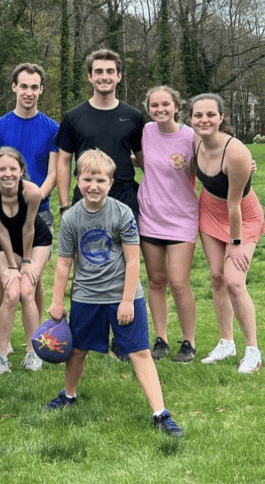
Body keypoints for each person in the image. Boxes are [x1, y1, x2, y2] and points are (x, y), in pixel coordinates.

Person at [44, 149, 183, 437]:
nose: (93, 186)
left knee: (140, 352)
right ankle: (69, 395)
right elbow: (63, 264)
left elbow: (133, 260)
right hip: (85, 297)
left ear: (110, 183)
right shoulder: (71, 218)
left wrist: (127, 300)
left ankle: (160, 413)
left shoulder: (122, 213)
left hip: (123, 295)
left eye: (100, 180)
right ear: (77, 180)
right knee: (78, 350)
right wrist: (58, 302)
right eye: (87, 179)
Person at [55, 48, 145, 362]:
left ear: (119, 76)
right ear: (90, 76)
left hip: (123, 198)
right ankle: (84, 333)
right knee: (86, 266)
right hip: (86, 202)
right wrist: (66, 204)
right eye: (99, 71)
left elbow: (145, 158)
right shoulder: (74, 117)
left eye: (110, 71)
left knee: (125, 264)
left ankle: (123, 338)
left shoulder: (133, 116)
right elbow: (64, 162)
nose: (104, 77)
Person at [0, 63, 59, 361]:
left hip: (40, 210)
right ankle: (2, 340)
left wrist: (34, 196)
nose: (29, 92)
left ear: (41, 90)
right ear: (14, 87)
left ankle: (36, 341)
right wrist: (12, 195)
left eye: (34, 87)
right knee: (7, 277)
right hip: (3, 212)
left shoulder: (52, 128)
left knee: (33, 278)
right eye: (23, 86)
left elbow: (53, 172)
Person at [190, 93, 263, 373]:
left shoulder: (236, 152)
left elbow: (235, 205)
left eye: (211, 114)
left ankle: (253, 351)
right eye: (198, 115)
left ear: (222, 117)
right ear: (191, 119)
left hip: (242, 216)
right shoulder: (194, 141)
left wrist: (235, 243)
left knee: (234, 281)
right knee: (217, 277)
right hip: (209, 209)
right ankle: (226, 342)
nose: (204, 120)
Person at [137, 87, 198, 362]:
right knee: (156, 280)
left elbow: (213, 158)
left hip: (182, 218)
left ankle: (189, 343)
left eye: (165, 104)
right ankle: (160, 339)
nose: (160, 109)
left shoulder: (190, 136)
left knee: (179, 282)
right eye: (154, 105)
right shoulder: (146, 131)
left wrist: (247, 166)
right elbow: (141, 161)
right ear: (148, 108)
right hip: (150, 216)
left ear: (176, 106)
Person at [0, 147, 53, 374]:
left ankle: (33, 352)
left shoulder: (32, 192)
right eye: (1, 169)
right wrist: (12, 266)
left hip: (36, 241)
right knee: (11, 292)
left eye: (13, 168)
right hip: (7, 242)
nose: (7, 173)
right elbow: (0, 230)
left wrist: (27, 262)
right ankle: (0, 356)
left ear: (22, 170)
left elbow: (29, 228)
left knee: (27, 290)